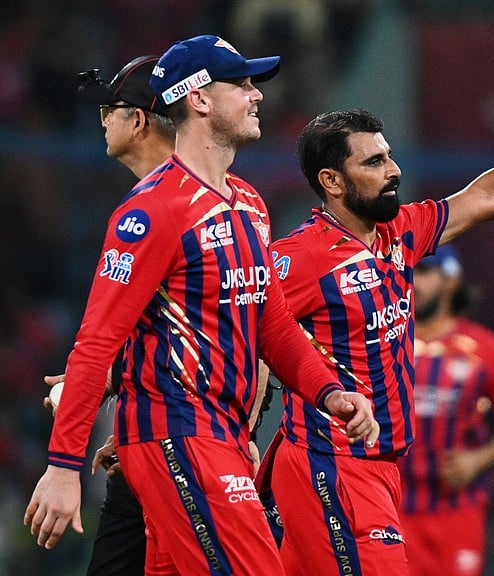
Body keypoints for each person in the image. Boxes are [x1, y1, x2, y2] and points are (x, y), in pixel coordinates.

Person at [24, 35, 378, 576]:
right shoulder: (151, 212)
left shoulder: (249, 203)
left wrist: (329, 391)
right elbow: (97, 341)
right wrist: (62, 467)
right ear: (200, 99)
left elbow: (272, 323)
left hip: (223, 437)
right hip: (180, 433)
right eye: (241, 84)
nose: (255, 95)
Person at [259, 88, 494, 575]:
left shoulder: (400, 233)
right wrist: (236, 431)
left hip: (381, 470)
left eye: (390, 157)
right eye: (374, 162)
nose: (394, 171)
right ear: (332, 181)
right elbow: (248, 336)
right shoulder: (297, 259)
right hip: (333, 466)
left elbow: (488, 196)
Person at [70, 53, 176, 576]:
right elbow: (181, 334)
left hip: (192, 451)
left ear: (137, 120)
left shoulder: (159, 209)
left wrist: (63, 467)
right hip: (148, 443)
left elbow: (251, 343)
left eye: (108, 109)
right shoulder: (227, 200)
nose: (101, 121)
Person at [399, 244, 494, 576]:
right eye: (410, 272)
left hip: (457, 509)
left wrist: (478, 459)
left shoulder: (484, 348)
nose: (413, 281)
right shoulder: (384, 342)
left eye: (425, 272)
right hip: (392, 505)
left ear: (450, 281)